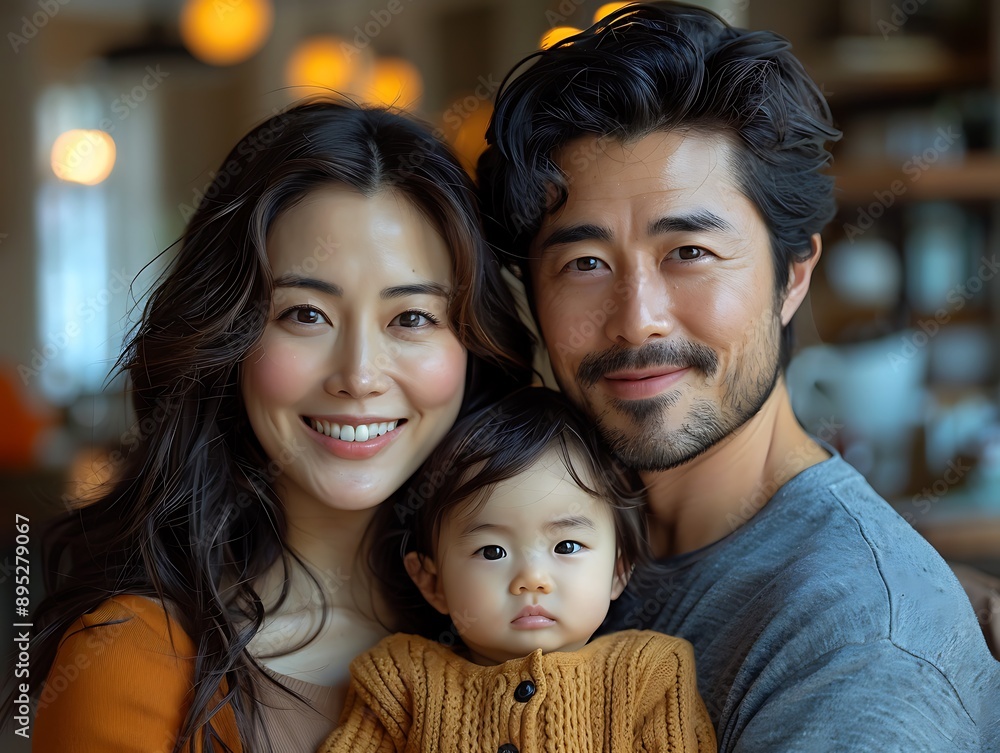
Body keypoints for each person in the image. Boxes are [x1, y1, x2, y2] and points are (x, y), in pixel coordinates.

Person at [477, 3, 1000, 751]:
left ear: (792, 275)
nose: (638, 320)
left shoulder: (857, 650)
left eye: (688, 251)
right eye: (584, 264)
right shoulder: (541, 538)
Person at [24, 99, 532, 752]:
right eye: (305, 314)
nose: (359, 374)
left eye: (411, 318)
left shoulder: (549, 608)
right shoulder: (131, 656)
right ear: (228, 335)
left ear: (473, 348)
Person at [318, 387, 717, 753]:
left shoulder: (650, 675)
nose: (532, 578)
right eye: (491, 551)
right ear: (433, 582)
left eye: (566, 546)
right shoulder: (398, 680)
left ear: (618, 571)